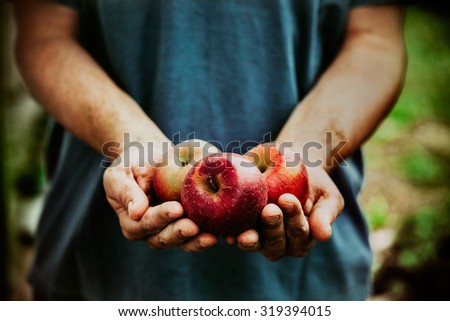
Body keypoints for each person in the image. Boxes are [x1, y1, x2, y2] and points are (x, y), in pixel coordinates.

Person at [13, 0, 406, 300]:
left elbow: (374, 38)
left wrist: (306, 152)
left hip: (307, 276)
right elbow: (45, 36)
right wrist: (133, 143)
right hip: (103, 259)